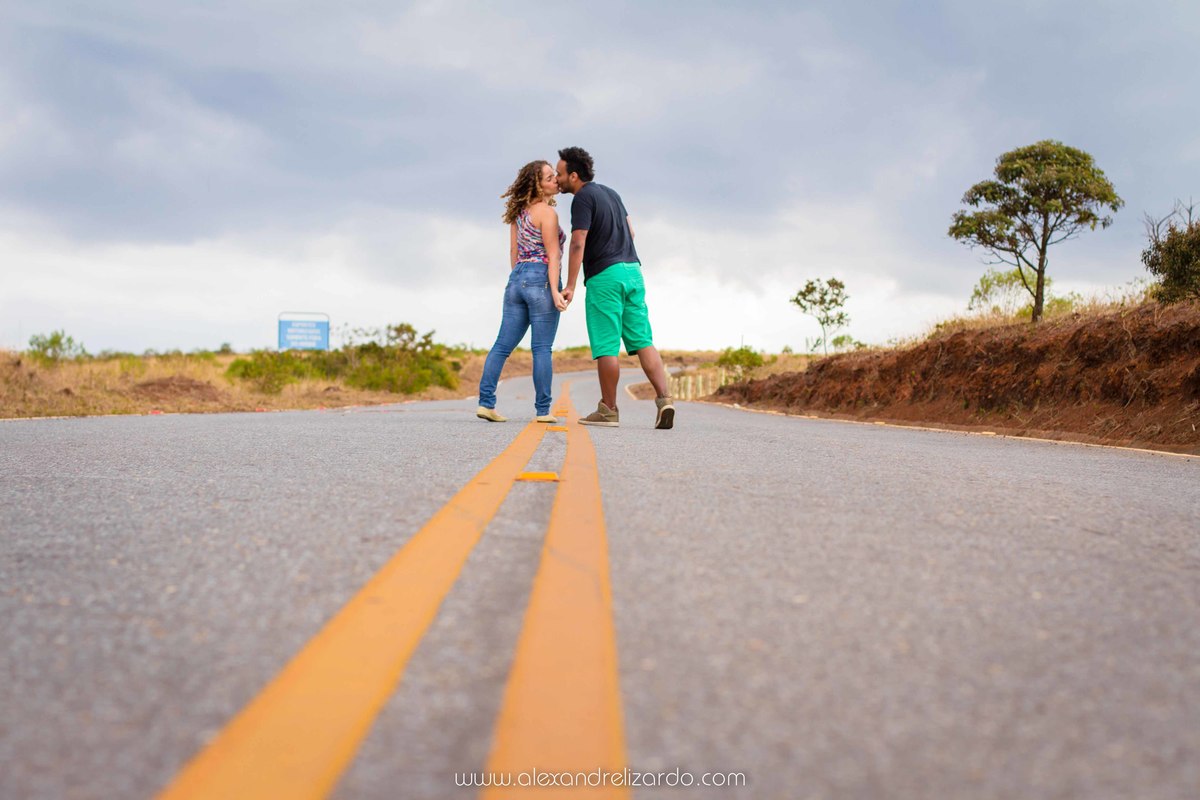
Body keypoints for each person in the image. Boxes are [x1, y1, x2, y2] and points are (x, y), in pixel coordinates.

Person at [556, 146, 674, 429]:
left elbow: (577, 241)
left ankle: (608, 409)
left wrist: (571, 284)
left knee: (606, 345)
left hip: (605, 277)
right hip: (633, 271)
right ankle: (665, 399)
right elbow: (631, 231)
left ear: (574, 175)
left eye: (559, 174)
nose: (557, 179)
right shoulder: (612, 193)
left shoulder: (582, 198)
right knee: (643, 340)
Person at [476, 160, 568, 423]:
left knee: (502, 345)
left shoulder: (518, 213)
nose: (555, 181)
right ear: (537, 184)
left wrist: (519, 278)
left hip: (517, 278)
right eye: (549, 178)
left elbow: (514, 253)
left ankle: (486, 403)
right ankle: (542, 411)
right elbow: (553, 255)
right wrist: (554, 291)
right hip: (541, 276)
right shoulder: (547, 213)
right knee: (541, 348)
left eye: (554, 176)